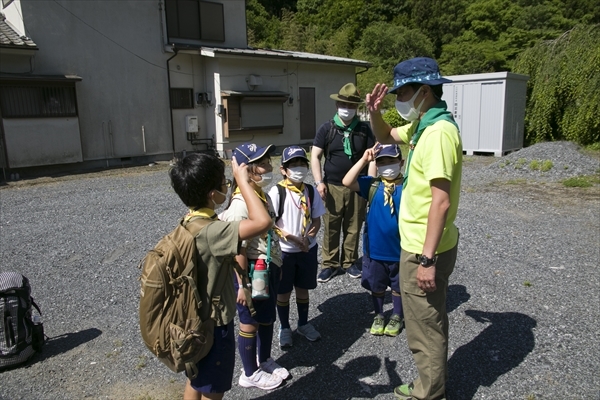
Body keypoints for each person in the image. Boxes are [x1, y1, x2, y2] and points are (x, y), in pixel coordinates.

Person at [366, 57, 463, 400]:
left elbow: (441, 202)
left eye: (402, 93)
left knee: (424, 325)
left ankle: (429, 392)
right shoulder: (424, 124)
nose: (399, 100)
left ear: (424, 91)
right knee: (429, 319)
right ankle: (431, 383)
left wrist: (426, 259)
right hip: (421, 243)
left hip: (425, 247)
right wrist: (374, 112)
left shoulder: (437, 134)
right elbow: (387, 134)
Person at [169, 153, 273, 400]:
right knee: (213, 390)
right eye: (224, 183)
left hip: (193, 318)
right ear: (212, 194)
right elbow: (263, 221)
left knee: (197, 379)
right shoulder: (214, 231)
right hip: (214, 325)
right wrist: (243, 181)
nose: (228, 185)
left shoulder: (190, 221)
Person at [220, 143, 288, 390]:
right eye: (263, 162)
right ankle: (249, 372)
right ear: (247, 170)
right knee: (250, 319)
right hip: (252, 270)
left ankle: (265, 358)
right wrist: (242, 285)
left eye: (269, 160)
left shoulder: (260, 194)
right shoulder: (240, 203)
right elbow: (237, 247)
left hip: (268, 266)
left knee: (266, 317)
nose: (269, 165)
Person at [311, 83, 376, 283]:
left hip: (357, 187)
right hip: (331, 186)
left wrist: (370, 185)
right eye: (343, 104)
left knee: (353, 225)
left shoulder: (364, 129)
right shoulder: (327, 128)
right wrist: (319, 182)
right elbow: (315, 156)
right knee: (331, 225)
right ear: (337, 104)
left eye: (351, 105)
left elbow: (372, 158)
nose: (346, 108)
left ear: (356, 107)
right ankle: (329, 264)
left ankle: (349, 261)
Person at [342, 143, 405, 337]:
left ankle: (397, 315)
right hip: (375, 249)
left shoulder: (408, 185)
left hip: (401, 249)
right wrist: (364, 159)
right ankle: (378, 314)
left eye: (391, 161)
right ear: (376, 165)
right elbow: (347, 181)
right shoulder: (372, 184)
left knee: (398, 286)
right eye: (382, 162)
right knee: (377, 285)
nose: (387, 166)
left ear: (401, 163)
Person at [268, 146, 326, 348]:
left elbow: (317, 220)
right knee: (283, 291)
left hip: (307, 249)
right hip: (284, 251)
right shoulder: (277, 192)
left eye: (302, 164)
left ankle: (303, 323)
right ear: (283, 169)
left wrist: (308, 239)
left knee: (303, 288)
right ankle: (284, 327)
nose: (299, 168)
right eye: (294, 165)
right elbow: (270, 223)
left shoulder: (310, 191)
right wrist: (291, 238)